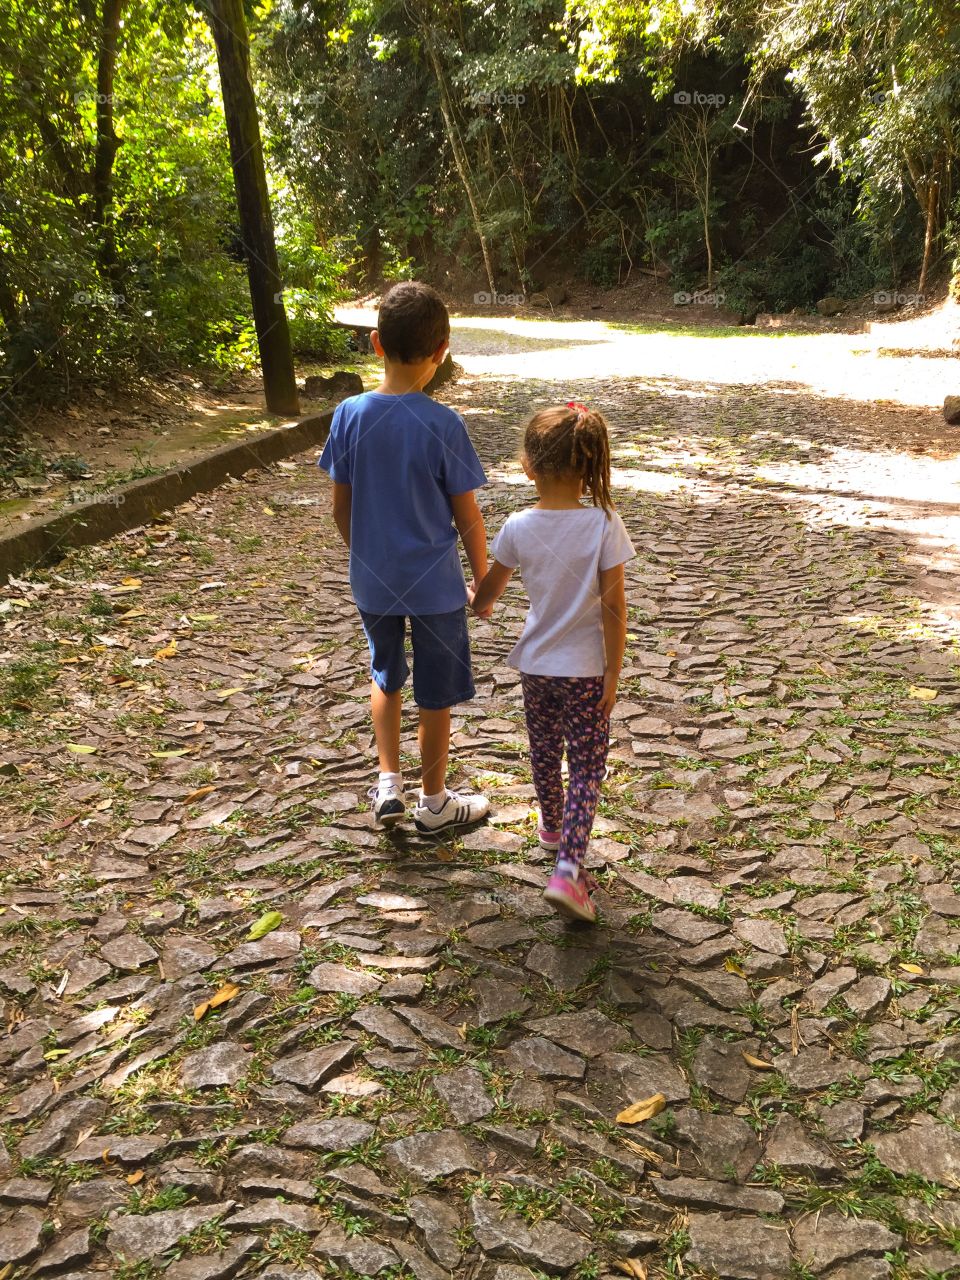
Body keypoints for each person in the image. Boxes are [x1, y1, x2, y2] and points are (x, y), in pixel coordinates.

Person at [319, 281, 490, 833]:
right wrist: (483, 580)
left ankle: (387, 783)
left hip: (373, 581)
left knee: (385, 674)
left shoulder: (348, 414)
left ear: (375, 343)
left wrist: (365, 556)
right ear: (442, 351)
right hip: (435, 587)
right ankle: (435, 800)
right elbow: (467, 517)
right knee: (435, 693)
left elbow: (341, 508)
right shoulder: (444, 424)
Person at [470, 402, 634, 922]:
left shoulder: (518, 525)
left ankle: (551, 828)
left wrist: (472, 596)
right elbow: (614, 609)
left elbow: (486, 597)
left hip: (537, 665)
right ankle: (568, 869)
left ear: (528, 466)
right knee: (587, 766)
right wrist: (613, 670)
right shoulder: (604, 523)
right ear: (589, 466)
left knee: (544, 749)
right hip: (585, 670)